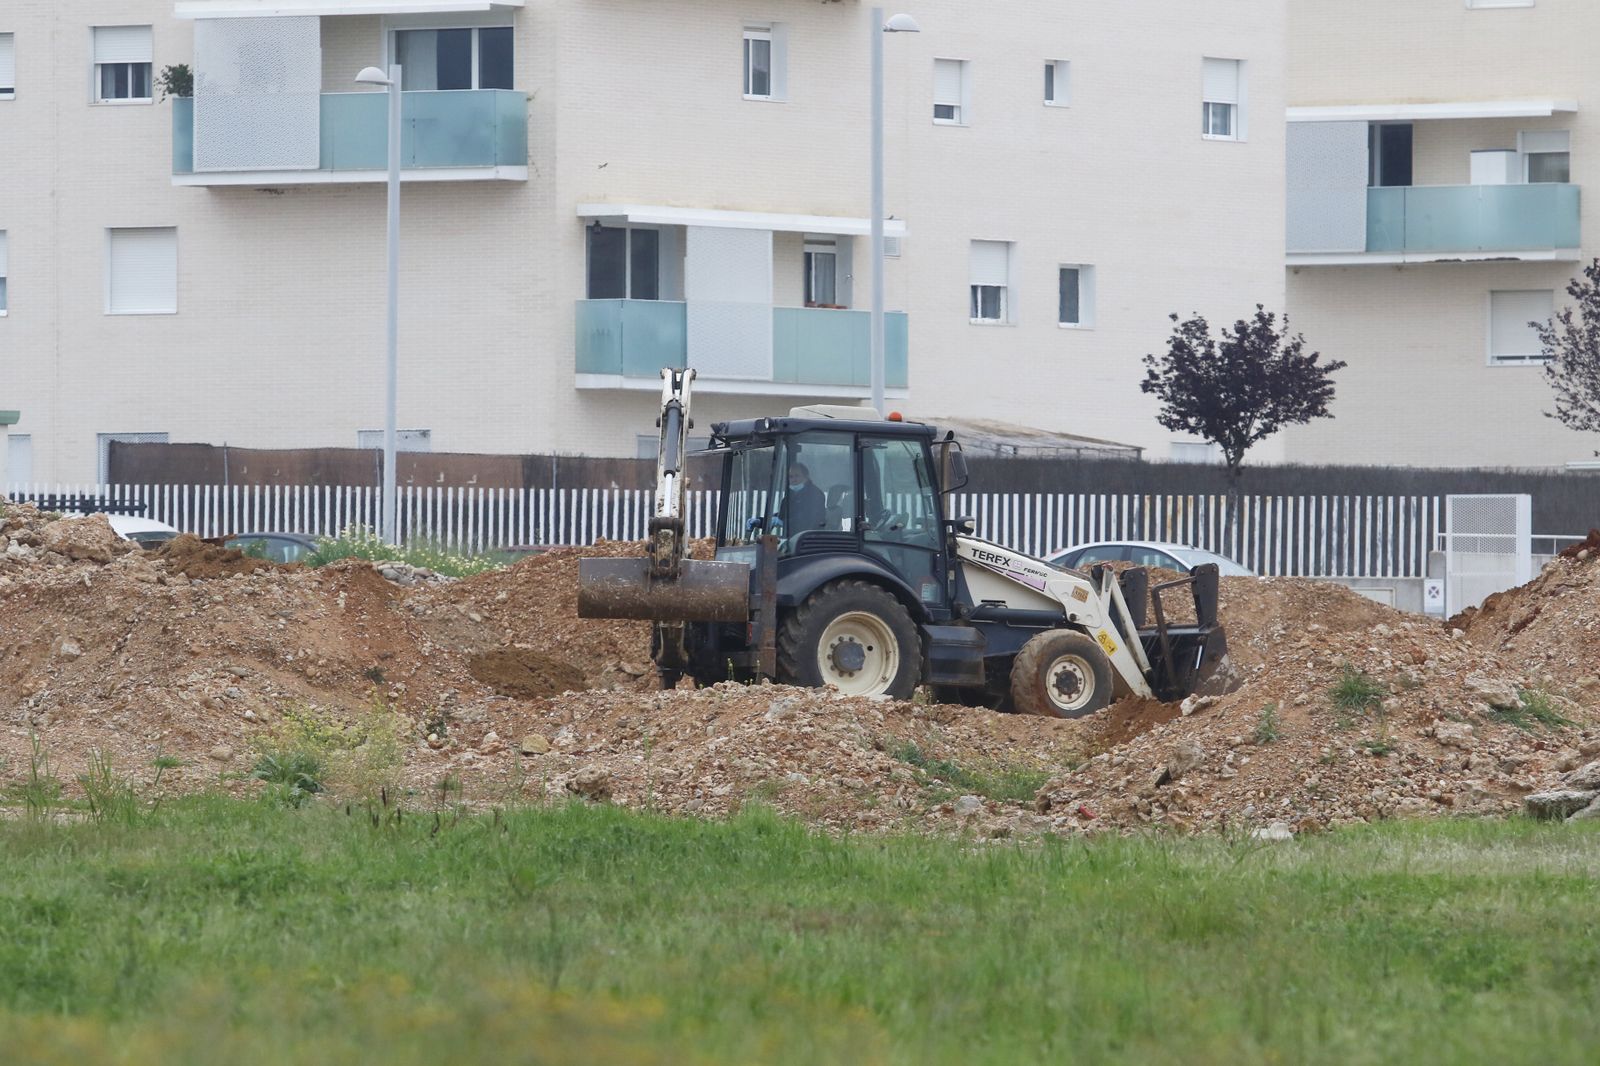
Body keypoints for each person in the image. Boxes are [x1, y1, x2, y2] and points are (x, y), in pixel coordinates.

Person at [782, 462, 826, 535]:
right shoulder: (791, 494)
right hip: (791, 538)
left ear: (806, 477)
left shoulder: (815, 494)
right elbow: (783, 513)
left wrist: (784, 521)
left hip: (808, 539)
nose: (794, 479)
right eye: (791, 476)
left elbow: (808, 519)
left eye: (797, 476)